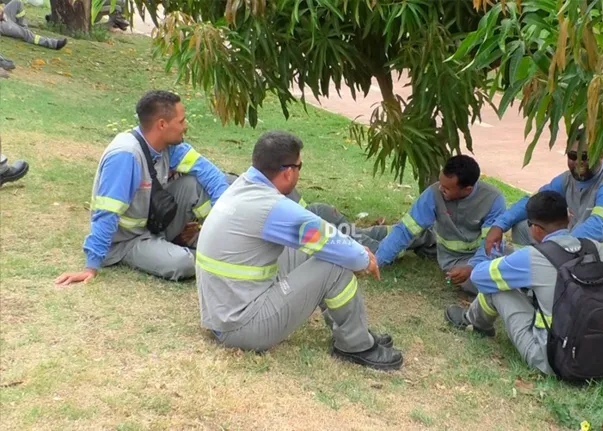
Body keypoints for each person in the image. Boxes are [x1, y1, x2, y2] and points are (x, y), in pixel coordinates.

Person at [195, 131, 403, 370]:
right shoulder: (270, 206)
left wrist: (351, 250)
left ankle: (349, 328)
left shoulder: (243, 185)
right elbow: (323, 237)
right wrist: (363, 258)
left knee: (329, 251)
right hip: (241, 326)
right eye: (300, 166)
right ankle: (355, 344)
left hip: (223, 313)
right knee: (334, 264)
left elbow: (323, 240)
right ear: (288, 171)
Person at [445, 191, 603, 375]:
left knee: (497, 287)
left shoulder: (532, 257)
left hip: (554, 360)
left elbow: (479, 277)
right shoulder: (595, 248)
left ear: (535, 229)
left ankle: (474, 323)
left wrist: (497, 259)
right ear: (569, 218)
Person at [55, 90, 231, 285]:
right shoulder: (126, 155)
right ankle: (199, 253)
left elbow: (213, 177)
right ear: (162, 125)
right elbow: (107, 212)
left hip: (154, 225)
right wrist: (91, 266)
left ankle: (213, 242)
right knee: (183, 263)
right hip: (126, 241)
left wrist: (218, 226)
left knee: (196, 185)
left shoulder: (171, 147)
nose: (185, 127)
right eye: (181, 121)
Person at [483, 128, 603, 310]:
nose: (578, 162)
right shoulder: (566, 180)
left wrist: (551, 250)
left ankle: (536, 282)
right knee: (525, 226)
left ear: (601, 154)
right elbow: (534, 203)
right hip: (579, 246)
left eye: (586, 156)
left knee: (584, 249)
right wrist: (500, 225)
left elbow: (598, 229)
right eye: (573, 155)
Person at [374, 155, 506, 294]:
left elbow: (491, 246)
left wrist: (471, 266)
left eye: (447, 188)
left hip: (482, 258)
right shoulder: (434, 192)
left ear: (467, 189)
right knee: (482, 282)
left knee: (500, 274)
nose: (440, 188)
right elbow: (406, 229)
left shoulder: (493, 200)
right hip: (452, 259)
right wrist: (378, 262)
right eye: (440, 183)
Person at [0, 0, 67, 50]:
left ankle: (23, 28)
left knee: (17, 2)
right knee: (25, 33)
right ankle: (54, 44)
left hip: (3, 16)